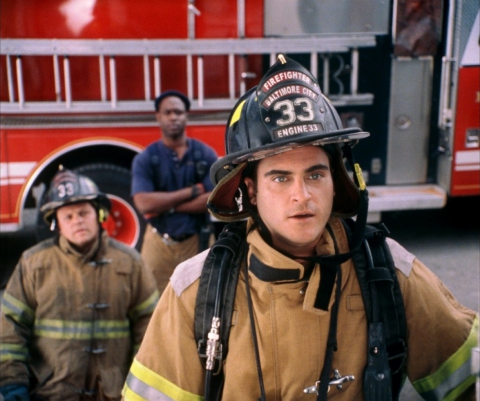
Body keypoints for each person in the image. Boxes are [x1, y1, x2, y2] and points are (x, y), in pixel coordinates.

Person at [122, 56, 478, 400]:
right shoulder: (197, 289)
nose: (302, 195)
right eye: (280, 178)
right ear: (251, 190)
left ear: (336, 182)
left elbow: (469, 380)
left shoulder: (388, 271)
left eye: (315, 175)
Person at [0, 167, 159, 401]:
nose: (78, 221)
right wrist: (13, 384)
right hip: (51, 393)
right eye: (68, 216)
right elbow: (10, 330)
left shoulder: (130, 263)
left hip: (114, 394)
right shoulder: (33, 264)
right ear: (56, 223)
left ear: (99, 215)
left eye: (84, 213)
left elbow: (150, 329)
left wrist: (140, 388)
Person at [131, 90, 218, 294]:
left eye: (178, 112)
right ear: (158, 117)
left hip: (198, 242)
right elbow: (143, 203)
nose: (173, 117)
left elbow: (215, 199)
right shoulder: (146, 158)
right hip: (158, 243)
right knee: (152, 299)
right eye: (167, 112)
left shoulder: (205, 154)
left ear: (186, 116)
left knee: (203, 299)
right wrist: (192, 191)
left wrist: (166, 206)